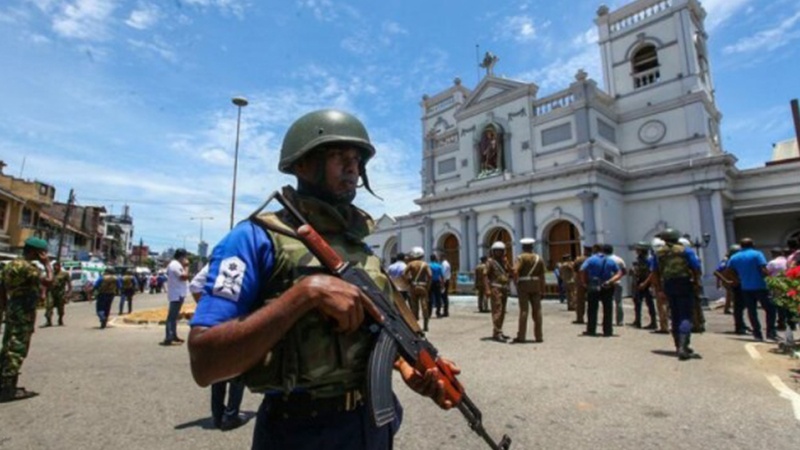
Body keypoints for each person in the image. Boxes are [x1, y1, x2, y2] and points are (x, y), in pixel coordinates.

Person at [187, 109, 457, 449]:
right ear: (302, 164)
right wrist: (304, 294)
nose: (353, 168)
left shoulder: (358, 247)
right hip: (299, 431)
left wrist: (407, 365)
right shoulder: (253, 239)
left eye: (357, 160)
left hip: (372, 424)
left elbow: (378, 331)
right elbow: (205, 363)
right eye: (339, 157)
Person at [189, 265, 246, 431]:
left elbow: (195, 285)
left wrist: (207, 308)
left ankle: (217, 414)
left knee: (219, 370)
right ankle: (231, 415)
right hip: (236, 320)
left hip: (215, 322)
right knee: (237, 371)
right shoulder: (242, 260)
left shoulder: (215, 264)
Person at [0, 237, 51, 402]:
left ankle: (4, 384)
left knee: (8, 345)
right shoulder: (30, 269)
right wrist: (47, 264)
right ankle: (8, 390)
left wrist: (4, 309)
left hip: (12, 310)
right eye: (43, 252)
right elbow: (49, 282)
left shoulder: (9, 266)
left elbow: (2, 291)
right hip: (24, 312)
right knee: (17, 348)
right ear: (37, 252)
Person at [650, 229, 702, 360]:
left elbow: (655, 273)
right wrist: (696, 282)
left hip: (668, 284)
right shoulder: (685, 251)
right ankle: (683, 346)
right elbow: (696, 267)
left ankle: (678, 344)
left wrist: (659, 290)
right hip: (684, 283)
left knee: (675, 314)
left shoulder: (658, 253)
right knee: (686, 315)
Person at [727, 238, 777, 341]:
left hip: (745, 287)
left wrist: (737, 280)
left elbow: (728, 271)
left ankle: (757, 333)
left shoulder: (735, 257)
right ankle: (770, 332)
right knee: (770, 309)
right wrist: (770, 280)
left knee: (752, 311)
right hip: (761, 286)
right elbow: (762, 269)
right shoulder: (757, 254)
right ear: (752, 244)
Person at [580, 244, 622, 337]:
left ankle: (591, 330)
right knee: (608, 308)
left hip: (594, 284)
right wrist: (611, 281)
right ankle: (607, 330)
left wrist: (584, 283)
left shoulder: (590, 259)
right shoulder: (610, 260)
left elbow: (582, 270)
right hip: (607, 285)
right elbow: (619, 273)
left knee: (592, 309)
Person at [512, 238, 546, 343]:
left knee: (524, 310)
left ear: (523, 247)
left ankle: (521, 336)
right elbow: (542, 275)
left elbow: (515, 270)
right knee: (538, 311)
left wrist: (516, 282)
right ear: (532, 247)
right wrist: (543, 290)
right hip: (536, 285)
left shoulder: (520, 257)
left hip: (524, 285)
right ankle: (539, 336)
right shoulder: (538, 258)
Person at [484, 241, 511, 342]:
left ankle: (499, 330)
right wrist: (487, 289)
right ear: (493, 252)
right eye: (497, 251)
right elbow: (485, 275)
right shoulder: (490, 262)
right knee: (497, 310)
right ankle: (497, 332)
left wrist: (507, 264)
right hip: (495, 288)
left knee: (502, 311)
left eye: (501, 251)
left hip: (504, 288)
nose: (499, 253)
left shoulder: (504, 262)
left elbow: (511, 272)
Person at [162, 249, 189, 346]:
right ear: (181, 257)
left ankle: (173, 335)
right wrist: (186, 267)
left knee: (174, 317)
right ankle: (168, 337)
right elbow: (184, 277)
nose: (186, 259)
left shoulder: (176, 265)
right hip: (176, 294)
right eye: (185, 257)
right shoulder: (175, 265)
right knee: (172, 317)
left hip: (178, 294)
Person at [403, 247, 432, 331]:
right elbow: (430, 275)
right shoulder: (425, 264)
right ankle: (426, 325)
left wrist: (408, 281)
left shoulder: (411, 264)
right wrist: (428, 286)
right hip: (423, 286)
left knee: (414, 306)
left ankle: (415, 324)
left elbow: (404, 273)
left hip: (413, 286)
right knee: (424, 305)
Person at [629, 242, 657, 329]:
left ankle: (653, 322)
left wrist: (645, 283)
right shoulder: (639, 259)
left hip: (646, 283)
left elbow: (651, 273)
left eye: (638, 249)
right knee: (637, 302)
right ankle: (637, 321)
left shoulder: (648, 260)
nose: (636, 251)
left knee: (649, 303)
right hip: (639, 281)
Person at [44, 261, 71, 327]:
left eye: (56, 266)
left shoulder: (65, 274)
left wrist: (69, 293)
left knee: (60, 307)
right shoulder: (51, 274)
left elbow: (69, 284)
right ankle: (48, 321)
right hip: (51, 292)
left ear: (59, 266)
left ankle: (60, 319)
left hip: (60, 293)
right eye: (54, 266)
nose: (55, 268)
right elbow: (45, 283)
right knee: (48, 306)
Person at [607, 245, 627, 326]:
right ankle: (620, 321)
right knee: (618, 302)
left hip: (607, 283)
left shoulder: (605, 260)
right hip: (618, 282)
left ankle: (608, 320)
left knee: (607, 302)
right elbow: (624, 271)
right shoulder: (619, 259)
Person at [572, 251, 588, 324]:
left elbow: (575, 269)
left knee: (580, 301)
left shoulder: (579, 259)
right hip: (591, 280)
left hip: (580, 281)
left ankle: (580, 318)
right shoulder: (593, 258)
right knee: (593, 300)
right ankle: (592, 318)